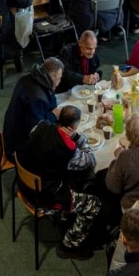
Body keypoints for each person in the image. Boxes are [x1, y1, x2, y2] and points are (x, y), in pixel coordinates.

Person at [20, 104, 100, 259]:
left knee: (71, 178)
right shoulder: (67, 149)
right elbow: (90, 160)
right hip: (45, 197)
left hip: (25, 183)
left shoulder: (41, 126)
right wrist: (78, 138)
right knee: (93, 204)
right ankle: (69, 245)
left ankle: (64, 219)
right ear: (74, 126)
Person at [2, 57, 64, 162]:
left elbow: (51, 103)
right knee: (61, 151)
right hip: (18, 149)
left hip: (11, 134)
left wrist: (52, 88)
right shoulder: (37, 98)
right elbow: (36, 130)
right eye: (59, 78)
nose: (60, 81)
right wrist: (53, 116)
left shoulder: (29, 77)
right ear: (52, 76)